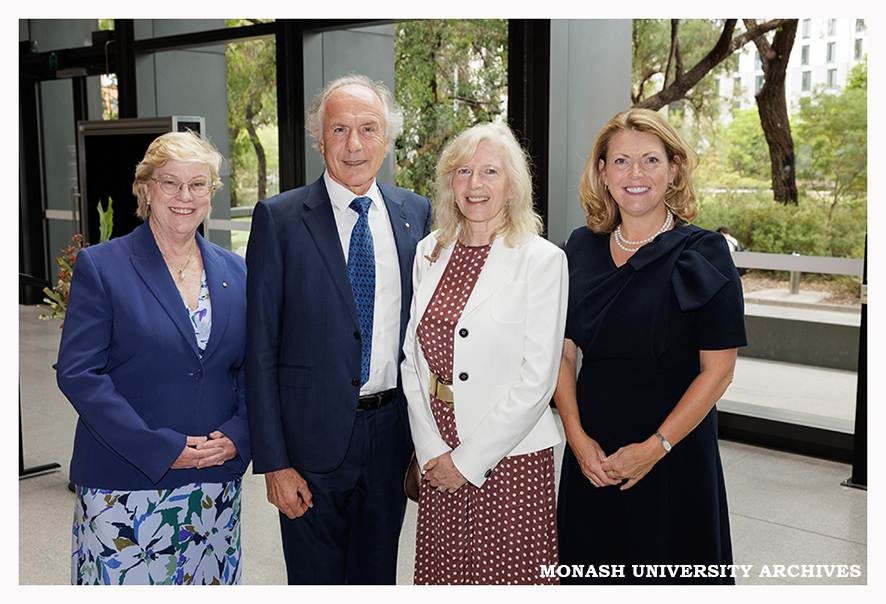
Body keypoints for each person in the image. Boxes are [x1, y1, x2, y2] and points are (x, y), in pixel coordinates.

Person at [245, 74, 432, 585]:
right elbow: (259, 347)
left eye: (368, 129)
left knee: (377, 577)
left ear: (388, 139)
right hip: (308, 444)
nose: (355, 145)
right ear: (319, 139)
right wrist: (275, 465)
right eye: (339, 130)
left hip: (391, 436)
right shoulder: (278, 219)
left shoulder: (415, 213)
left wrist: (425, 441)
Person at [554, 108, 747, 584]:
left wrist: (656, 447)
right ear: (601, 172)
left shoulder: (705, 252)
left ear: (674, 168)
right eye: (620, 162)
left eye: (650, 161)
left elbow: (718, 371)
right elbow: (562, 352)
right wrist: (577, 441)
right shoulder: (578, 248)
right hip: (593, 453)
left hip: (675, 451)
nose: (634, 175)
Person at [56, 131, 250, 585]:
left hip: (213, 483)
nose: (185, 197)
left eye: (198, 185)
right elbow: (80, 373)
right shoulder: (102, 266)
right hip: (125, 484)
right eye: (170, 183)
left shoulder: (237, 271)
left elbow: (250, 367)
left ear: (211, 194)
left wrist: (239, 435)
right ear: (146, 189)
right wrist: (160, 448)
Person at [401, 122, 567, 584]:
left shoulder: (542, 260)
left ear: (512, 184)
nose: (475, 184)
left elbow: (537, 380)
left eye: (490, 171)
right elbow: (411, 363)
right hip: (438, 451)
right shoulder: (429, 251)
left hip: (508, 459)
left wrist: (468, 462)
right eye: (463, 171)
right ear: (449, 183)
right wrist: (433, 449)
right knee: (446, 576)